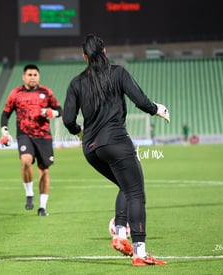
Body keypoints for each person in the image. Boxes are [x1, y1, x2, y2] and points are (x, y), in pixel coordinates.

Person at [63, 34, 170, 266]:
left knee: (126, 187)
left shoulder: (76, 83)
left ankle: (121, 233)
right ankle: (140, 253)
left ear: (84, 57)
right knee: (136, 193)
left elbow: (68, 119)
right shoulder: (118, 72)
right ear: (104, 52)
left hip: (90, 148)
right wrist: (157, 109)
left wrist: (79, 132)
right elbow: (140, 101)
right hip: (116, 141)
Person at [0, 64, 63, 217]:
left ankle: (42, 207)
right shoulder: (16, 93)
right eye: (29, 74)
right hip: (24, 134)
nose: (32, 77)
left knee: (44, 170)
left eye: (35, 74)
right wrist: (5, 132)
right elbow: (5, 114)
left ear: (38, 76)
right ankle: (29, 193)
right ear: (24, 77)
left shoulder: (46, 92)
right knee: (26, 161)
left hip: (44, 137)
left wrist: (51, 112)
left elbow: (61, 111)